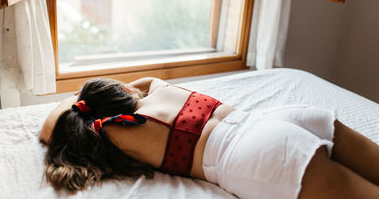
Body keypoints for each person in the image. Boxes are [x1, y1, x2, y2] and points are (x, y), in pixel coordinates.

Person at [40, 77, 379, 198]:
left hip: (257, 152)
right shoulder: (161, 88)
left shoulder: (115, 129)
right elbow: (138, 84)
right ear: (123, 90)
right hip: (281, 117)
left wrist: (81, 102)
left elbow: (50, 128)